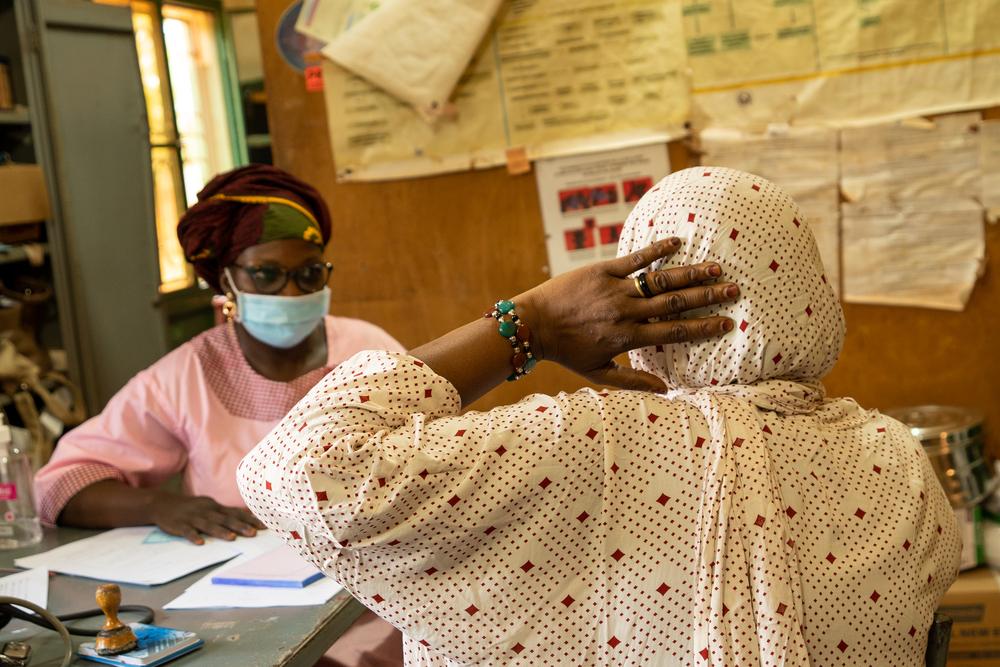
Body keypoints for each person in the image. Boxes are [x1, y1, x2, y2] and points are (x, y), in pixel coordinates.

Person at [238, 167, 961, 665]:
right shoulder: (898, 459)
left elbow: (296, 470)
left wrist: (532, 324)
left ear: (640, 303)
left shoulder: (588, 445)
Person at [34, 165, 405, 666]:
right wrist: (156, 506)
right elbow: (64, 483)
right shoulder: (187, 375)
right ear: (227, 279)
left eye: (309, 273)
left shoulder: (369, 352)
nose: (292, 294)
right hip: (249, 618)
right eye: (267, 275)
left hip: (378, 606)